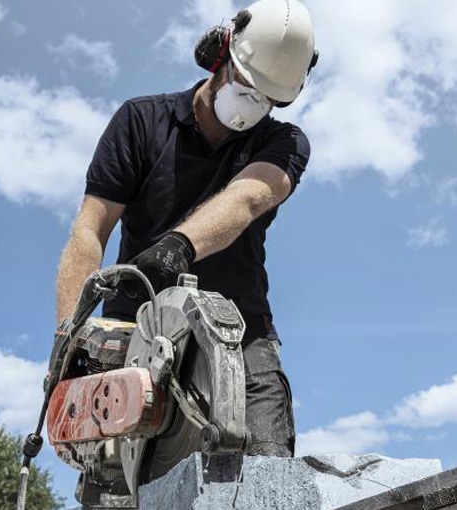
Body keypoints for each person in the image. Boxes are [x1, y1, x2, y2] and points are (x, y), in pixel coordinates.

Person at [56, 0, 317, 460]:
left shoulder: (284, 141)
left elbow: (248, 198)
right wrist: (69, 338)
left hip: (241, 333)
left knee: (265, 472)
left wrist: (178, 246)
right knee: (117, 479)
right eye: (246, 84)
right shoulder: (141, 121)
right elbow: (89, 230)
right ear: (219, 56)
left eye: (269, 98)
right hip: (133, 325)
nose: (254, 104)